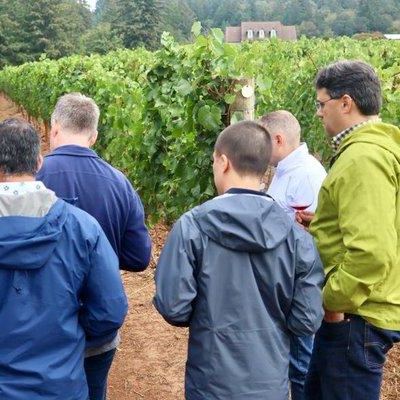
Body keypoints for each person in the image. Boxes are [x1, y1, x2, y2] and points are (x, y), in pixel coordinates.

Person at [0, 117, 128, 400]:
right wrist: (69, 347)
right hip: (61, 387)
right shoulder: (82, 227)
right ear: (39, 162)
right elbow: (110, 310)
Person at [154, 120, 324, 400]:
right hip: (269, 384)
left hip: (211, 383)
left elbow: (174, 306)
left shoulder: (192, 227)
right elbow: (306, 320)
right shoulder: (297, 238)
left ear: (223, 162)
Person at [37, 93, 151, 400]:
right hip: (97, 328)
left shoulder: (32, 178)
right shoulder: (119, 183)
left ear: (54, 128)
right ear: (94, 135)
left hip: (40, 326)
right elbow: (140, 257)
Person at [300, 60, 400, 400]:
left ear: (346, 103)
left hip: (355, 316)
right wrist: (324, 222)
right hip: (357, 314)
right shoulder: (376, 149)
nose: (318, 113)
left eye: (321, 103)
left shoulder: (362, 160)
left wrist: (332, 302)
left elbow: (371, 253)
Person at [259, 110, 327, 400]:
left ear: (278, 139)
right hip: (286, 285)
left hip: (300, 288)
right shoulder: (287, 171)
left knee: (301, 367)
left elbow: (314, 242)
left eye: (264, 141)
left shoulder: (307, 175)